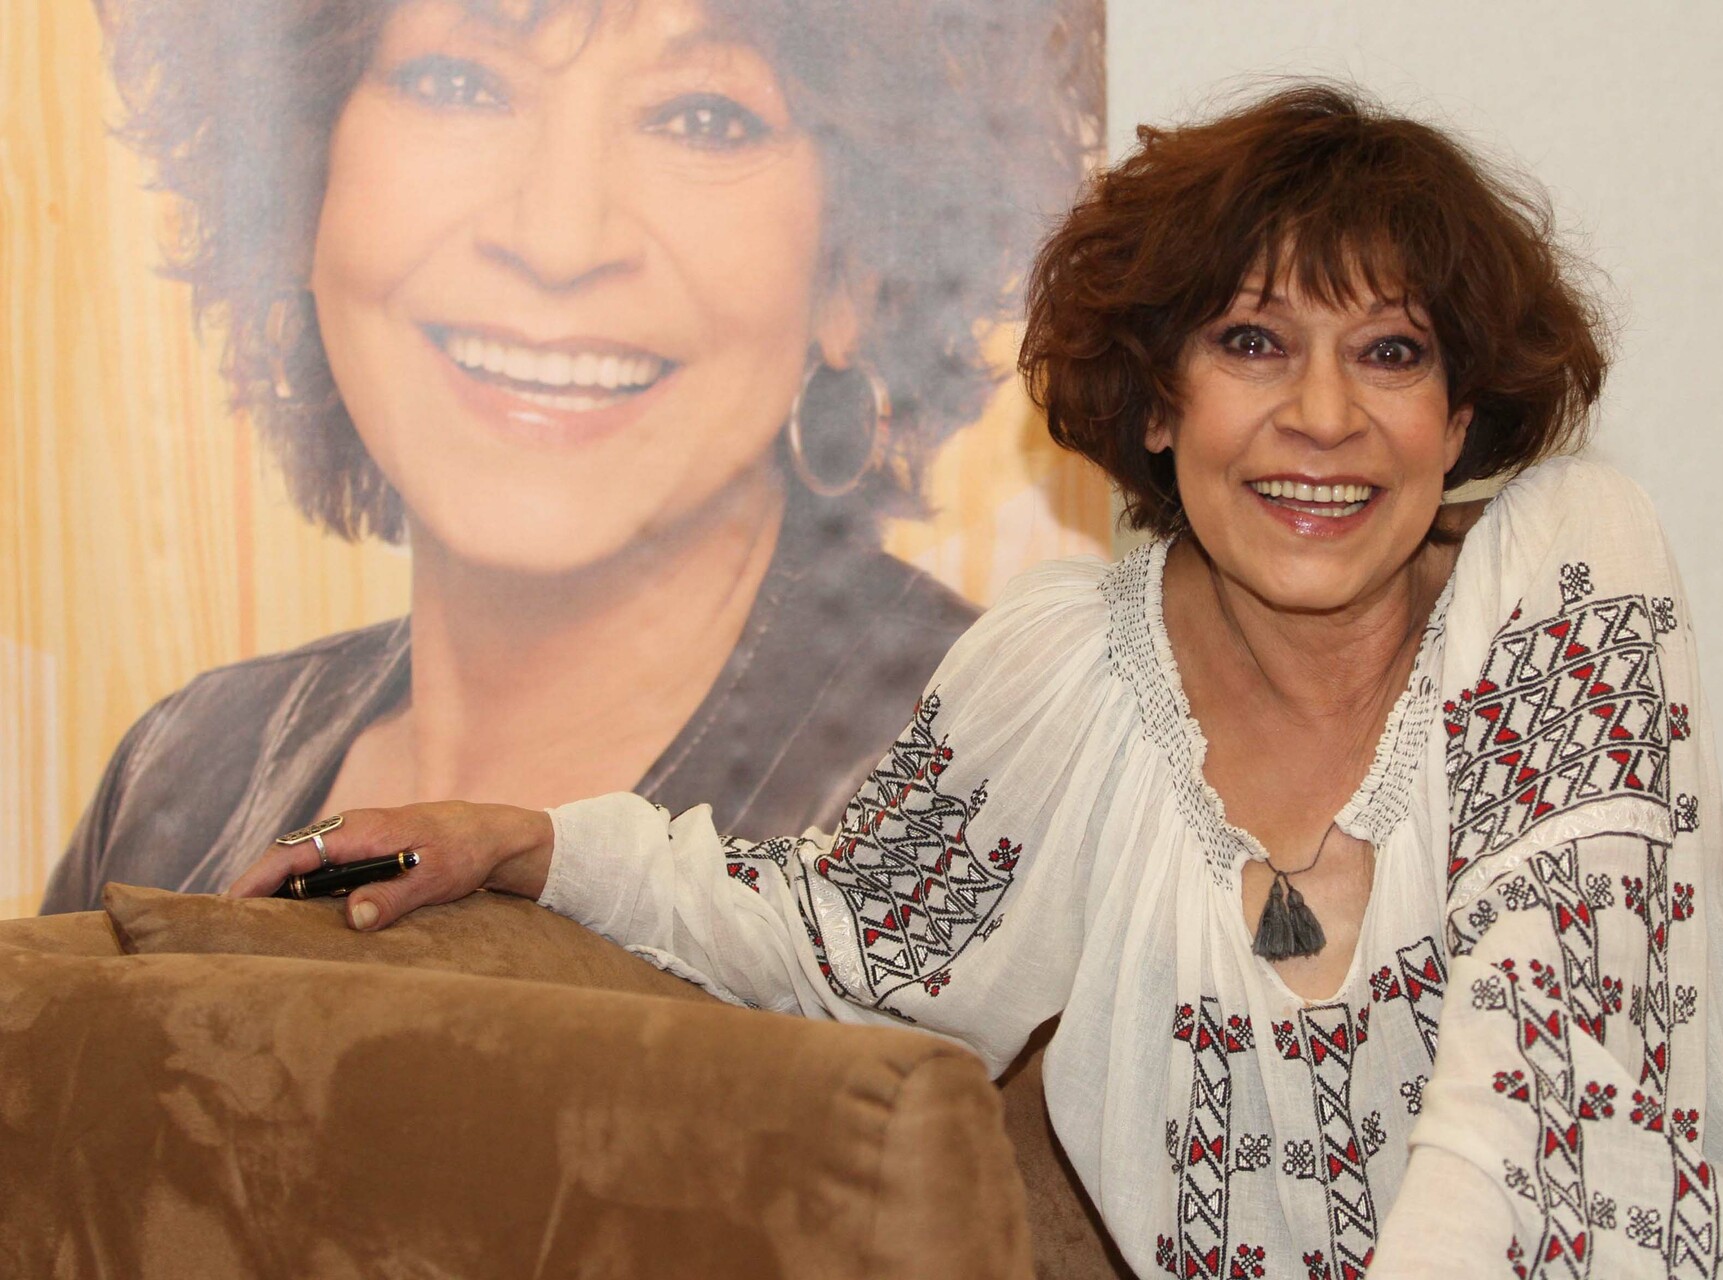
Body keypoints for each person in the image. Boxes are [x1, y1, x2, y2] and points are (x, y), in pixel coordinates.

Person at [230, 84, 1723, 1276]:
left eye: (1392, 354)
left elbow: (1551, 1087)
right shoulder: (1060, 678)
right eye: (1251, 343)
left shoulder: (1569, 573)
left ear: (1460, 415)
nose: (1324, 418)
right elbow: (834, 950)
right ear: (1159, 400)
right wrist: (538, 842)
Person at [42, 0, 1101, 911]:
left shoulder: (995, 786)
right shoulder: (179, 780)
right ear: (302, 191)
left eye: (702, 117)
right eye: (460, 83)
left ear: (855, 273)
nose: (557, 239)